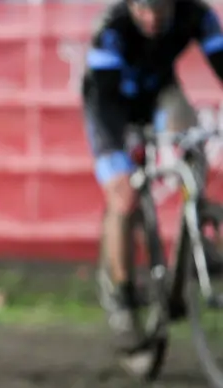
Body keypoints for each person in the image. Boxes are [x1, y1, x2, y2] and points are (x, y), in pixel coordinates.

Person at [82, 0, 223, 352]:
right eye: (143, 10)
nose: (152, 19)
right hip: (109, 105)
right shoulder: (111, 30)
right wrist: (123, 148)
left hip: (160, 93)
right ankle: (122, 294)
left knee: (191, 141)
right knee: (125, 196)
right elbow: (105, 100)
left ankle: (195, 231)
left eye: (160, 11)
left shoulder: (197, 15)